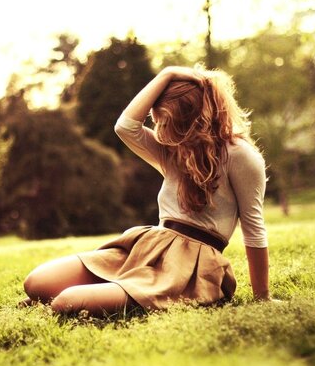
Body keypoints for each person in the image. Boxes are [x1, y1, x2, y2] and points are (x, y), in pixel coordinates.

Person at [21, 66, 270, 316]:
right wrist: (167, 74)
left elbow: (254, 228)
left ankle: (108, 294)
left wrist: (262, 297)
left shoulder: (241, 156)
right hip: (149, 246)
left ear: (193, 120)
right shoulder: (171, 150)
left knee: (66, 303)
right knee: (36, 283)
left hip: (190, 264)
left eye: (165, 122)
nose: (160, 130)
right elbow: (126, 126)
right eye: (157, 121)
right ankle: (114, 290)